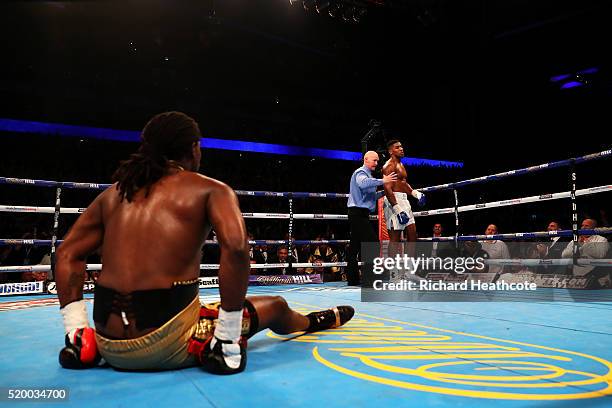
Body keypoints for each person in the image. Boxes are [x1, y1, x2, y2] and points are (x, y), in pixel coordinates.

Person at [55, 111, 354, 374]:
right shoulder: (211, 189)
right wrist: (227, 334)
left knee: (206, 307)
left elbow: (67, 252)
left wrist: (77, 327)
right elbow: (236, 249)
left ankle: (78, 341)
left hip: (108, 344)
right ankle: (312, 322)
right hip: (168, 343)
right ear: (194, 148)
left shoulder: (114, 194)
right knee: (274, 305)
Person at [346, 151, 397, 286]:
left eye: (377, 160)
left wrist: (383, 192)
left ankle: (353, 279)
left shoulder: (369, 176)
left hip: (360, 214)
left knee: (354, 247)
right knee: (372, 243)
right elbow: (363, 184)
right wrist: (383, 180)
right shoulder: (360, 173)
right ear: (366, 159)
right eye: (374, 160)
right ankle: (370, 279)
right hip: (357, 213)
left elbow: (370, 197)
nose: (376, 163)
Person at [381, 140, 426, 244]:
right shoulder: (388, 166)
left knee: (412, 235)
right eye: (397, 147)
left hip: (404, 200)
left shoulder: (400, 164)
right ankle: (392, 261)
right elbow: (387, 189)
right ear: (390, 151)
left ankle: (409, 261)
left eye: (401, 146)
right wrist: (397, 209)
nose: (401, 149)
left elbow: (403, 184)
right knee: (395, 240)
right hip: (393, 201)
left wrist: (416, 194)